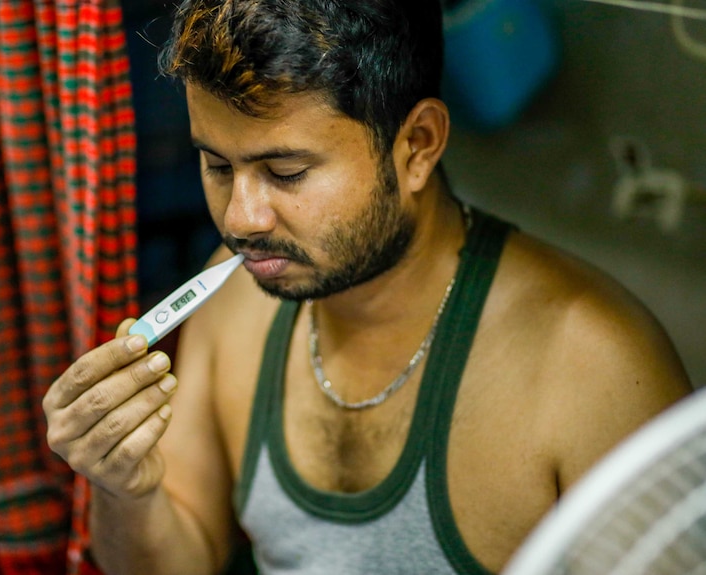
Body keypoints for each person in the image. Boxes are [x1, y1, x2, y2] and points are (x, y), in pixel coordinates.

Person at [42, 1, 694, 574]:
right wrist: (125, 489)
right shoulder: (240, 294)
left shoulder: (594, 367)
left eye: (286, 171)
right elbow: (180, 560)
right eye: (217, 165)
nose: (241, 218)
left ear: (417, 145)